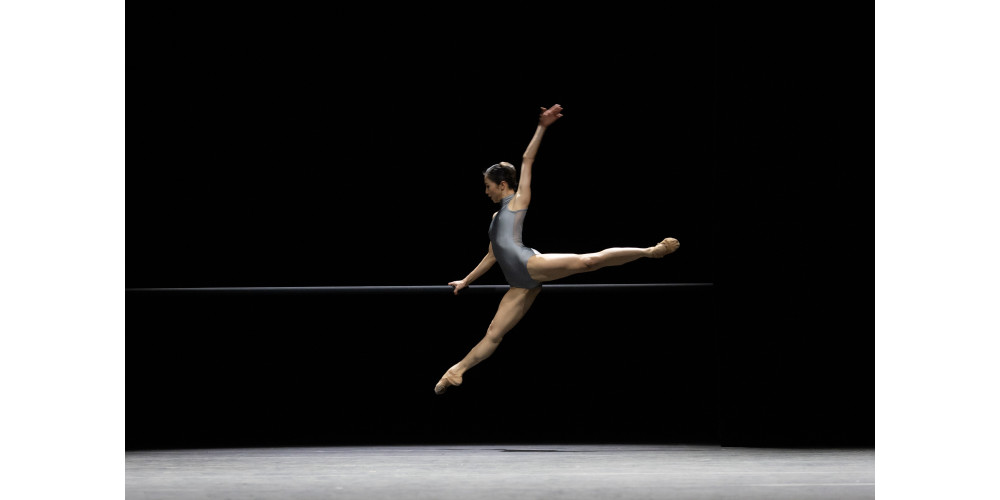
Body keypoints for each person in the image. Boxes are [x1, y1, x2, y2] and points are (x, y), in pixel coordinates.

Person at [434, 103, 680, 395]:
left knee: (588, 261)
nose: (485, 191)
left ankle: (650, 251)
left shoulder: (518, 201)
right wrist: (465, 280)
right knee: (493, 334)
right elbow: (491, 256)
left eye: (488, 186)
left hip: (529, 264)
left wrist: (542, 127)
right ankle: (455, 371)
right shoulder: (495, 217)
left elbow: (527, 159)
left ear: (501, 184)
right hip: (519, 285)